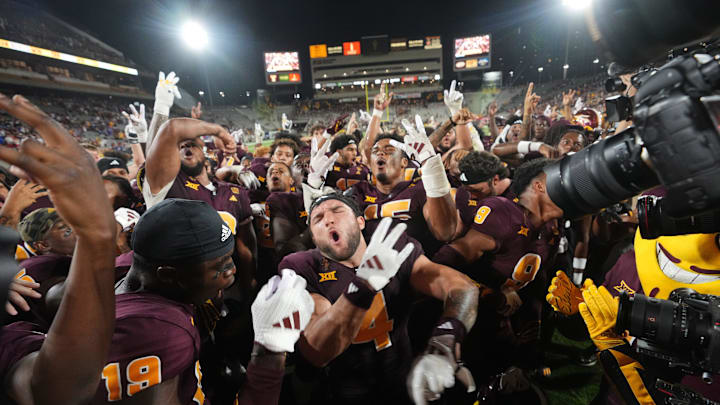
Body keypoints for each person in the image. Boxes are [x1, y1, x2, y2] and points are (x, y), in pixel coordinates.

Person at [280, 194, 478, 404]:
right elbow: (316, 352)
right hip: (347, 393)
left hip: (407, 381)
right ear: (314, 237)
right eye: (318, 218)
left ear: (360, 221)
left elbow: (462, 287)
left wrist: (445, 340)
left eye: (337, 211)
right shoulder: (301, 267)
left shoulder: (392, 245)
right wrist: (363, 286)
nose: (328, 219)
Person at [0, 93, 118, 405]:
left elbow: (58, 390)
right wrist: (96, 239)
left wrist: (96, 237)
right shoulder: (37, 271)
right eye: (64, 229)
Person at [433, 159, 563, 384]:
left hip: (510, 315)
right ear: (540, 187)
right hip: (475, 318)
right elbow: (444, 261)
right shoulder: (503, 213)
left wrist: (534, 317)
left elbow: (536, 275)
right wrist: (489, 292)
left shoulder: (553, 225)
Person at [139, 117, 256, 290]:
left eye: (192, 144)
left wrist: (250, 282)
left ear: (205, 152)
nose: (186, 147)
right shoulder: (168, 185)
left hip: (229, 283)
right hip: (185, 289)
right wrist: (219, 131)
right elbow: (170, 131)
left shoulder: (234, 191)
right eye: (181, 146)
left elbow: (246, 245)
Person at [266, 162, 312, 260]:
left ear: (291, 180)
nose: (274, 172)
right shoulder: (258, 200)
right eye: (271, 172)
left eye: (281, 171)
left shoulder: (302, 198)